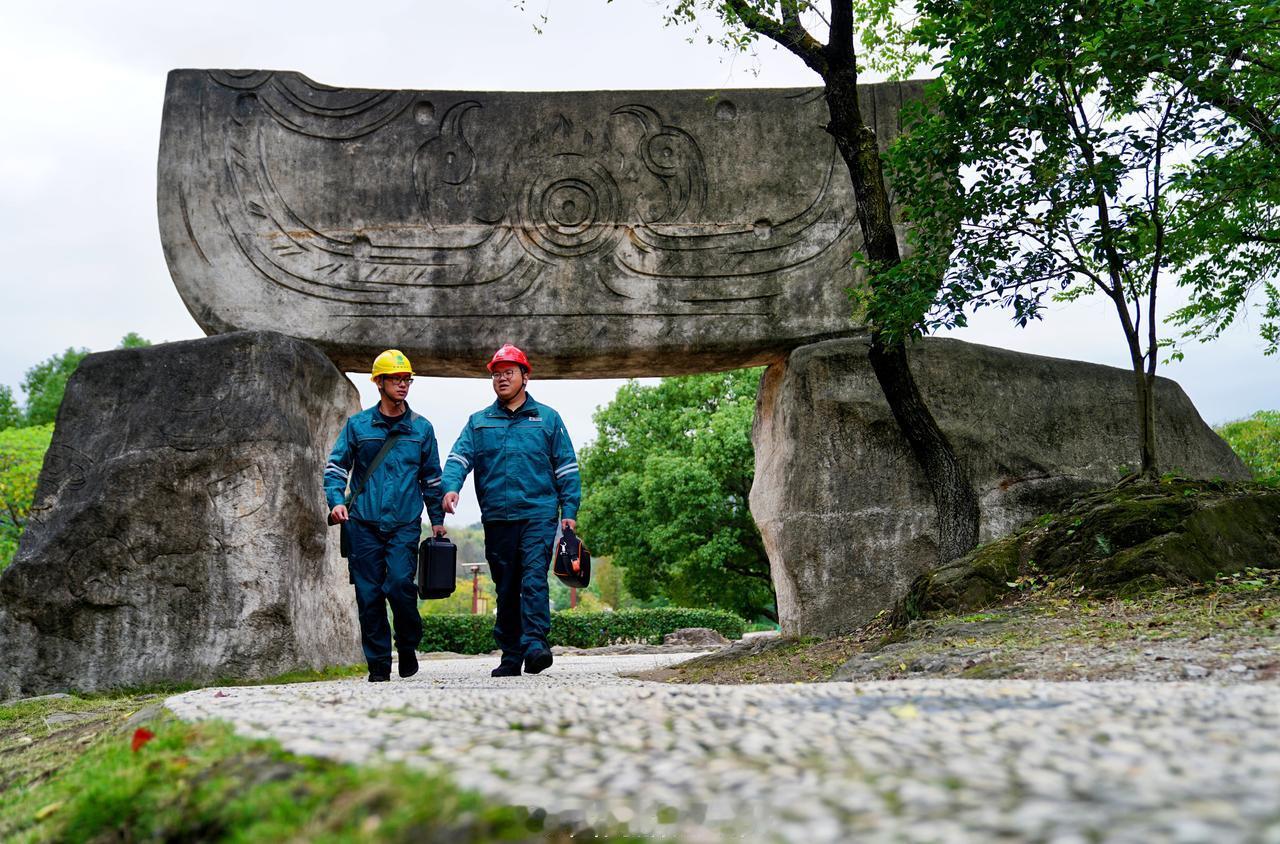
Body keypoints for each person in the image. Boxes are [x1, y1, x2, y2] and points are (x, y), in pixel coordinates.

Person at [442, 344, 580, 677]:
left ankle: (535, 645)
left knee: (533, 579)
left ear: (525, 377)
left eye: (509, 372)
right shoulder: (479, 422)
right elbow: (459, 458)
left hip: (537, 514)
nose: (502, 379)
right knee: (505, 586)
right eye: (496, 374)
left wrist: (570, 508)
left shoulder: (548, 419)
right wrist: (450, 487)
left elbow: (566, 467)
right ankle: (510, 655)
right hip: (497, 518)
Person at [325, 349, 447, 682]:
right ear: (379, 383)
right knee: (368, 594)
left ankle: (407, 645)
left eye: (406, 379)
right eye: (396, 379)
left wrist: (437, 520)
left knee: (398, 586)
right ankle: (378, 664)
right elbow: (336, 467)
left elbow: (432, 479)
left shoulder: (421, 429)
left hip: (405, 523)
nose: (403, 385)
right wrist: (336, 501)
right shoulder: (358, 426)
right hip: (363, 523)